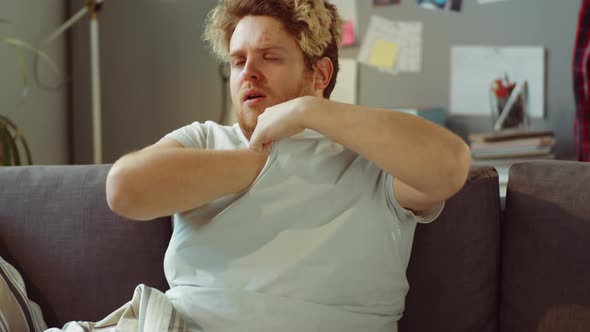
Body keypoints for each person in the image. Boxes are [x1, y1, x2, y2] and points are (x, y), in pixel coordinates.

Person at [105, 0, 471, 331]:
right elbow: (125, 190)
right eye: (237, 60)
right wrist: (256, 160)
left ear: (320, 74)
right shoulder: (205, 139)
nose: (248, 71)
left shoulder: (371, 158)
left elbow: (450, 166)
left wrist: (306, 111)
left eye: (270, 56)